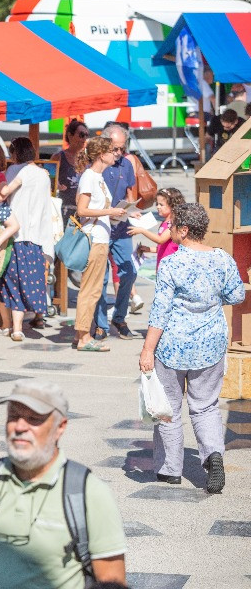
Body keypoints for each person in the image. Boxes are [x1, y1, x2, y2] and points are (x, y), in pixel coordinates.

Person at [0, 381, 127, 589]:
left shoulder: (89, 493)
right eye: (13, 417)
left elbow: (111, 580)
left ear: (60, 427)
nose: (20, 427)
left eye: (34, 419)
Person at [139, 203, 244, 493]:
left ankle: (170, 469)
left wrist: (147, 349)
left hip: (173, 346)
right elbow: (236, 295)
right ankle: (213, 455)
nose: (169, 229)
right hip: (211, 344)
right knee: (206, 406)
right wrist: (211, 300)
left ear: (184, 230)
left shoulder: (171, 264)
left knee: (169, 408)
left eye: (172, 225)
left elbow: (160, 311)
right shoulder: (222, 259)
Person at [0, 137, 57, 340]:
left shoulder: (14, 171)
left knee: (11, 283)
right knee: (30, 281)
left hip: (15, 235)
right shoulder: (44, 175)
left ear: (15, 153)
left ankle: (13, 327)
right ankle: (29, 322)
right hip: (37, 238)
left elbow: (3, 196)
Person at [73, 137, 126, 352]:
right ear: (102, 155)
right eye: (112, 150)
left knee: (93, 289)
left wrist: (117, 214)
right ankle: (84, 337)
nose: (116, 154)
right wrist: (110, 211)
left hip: (101, 238)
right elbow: (82, 210)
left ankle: (82, 334)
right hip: (94, 239)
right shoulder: (90, 177)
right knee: (91, 289)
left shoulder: (98, 177)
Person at [92, 124, 138, 342]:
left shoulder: (126, 164)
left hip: (121, 228)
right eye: (115, 148)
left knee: (129, 272)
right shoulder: (96, 166)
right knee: (100, 278)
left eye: (122, 148)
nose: (119, 153)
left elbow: (130, 193)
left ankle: (119, 317)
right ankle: (101, 323)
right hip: (101, 227)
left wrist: (132, 209)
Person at [127, 187, 184, 272]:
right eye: (157, 204)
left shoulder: (174, 224)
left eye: (161, 205)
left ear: (173, 206)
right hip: (162, 266)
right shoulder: (164, 223)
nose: (158, 207)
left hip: (171, 267)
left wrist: (142, 230)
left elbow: (160, 240)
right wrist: (149, 249)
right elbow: (162, 247)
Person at [50, 120, 89, 219]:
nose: (84, 139)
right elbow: (50, 181)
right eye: (81, 135)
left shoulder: (88, 159)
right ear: (70, 135)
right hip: (64, 210)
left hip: (84, 211)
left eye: (86, 135)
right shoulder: (58, 157)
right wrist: (57, 185)